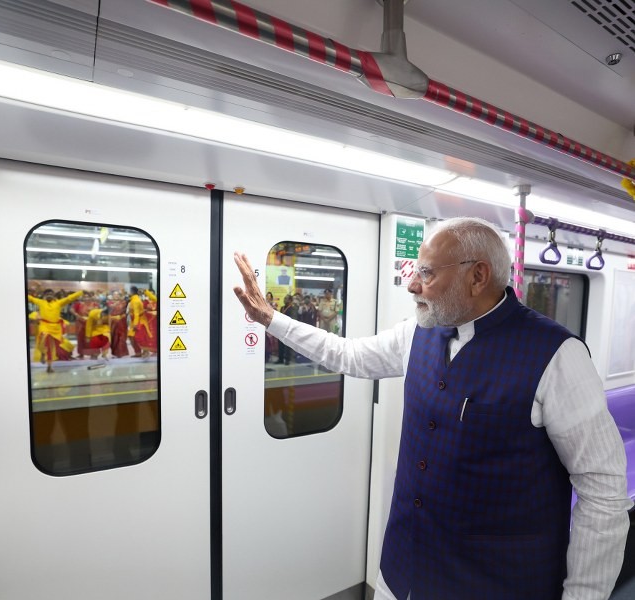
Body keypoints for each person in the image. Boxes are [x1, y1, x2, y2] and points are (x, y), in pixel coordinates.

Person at [232, 217, 631, 600]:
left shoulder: (557, 356)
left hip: (494, 583)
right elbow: (348, 355)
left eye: (426, 273)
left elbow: (604, 491)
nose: (411, 285)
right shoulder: (417, 334)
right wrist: (271, 319)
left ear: (477, 277)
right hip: (402, 569)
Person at [27, 288, 83, 372]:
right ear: (44, 296)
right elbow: (30, 298)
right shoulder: (40, 302)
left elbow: (69, 298)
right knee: (44, 340)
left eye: (51, 294)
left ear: (53, 296)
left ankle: (49, 366)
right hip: (44, 326)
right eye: (47, 294)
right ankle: (42, 353)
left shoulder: (58, 302)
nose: (49, 295)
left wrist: (80, 293)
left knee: (51, 347)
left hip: (56, 328)